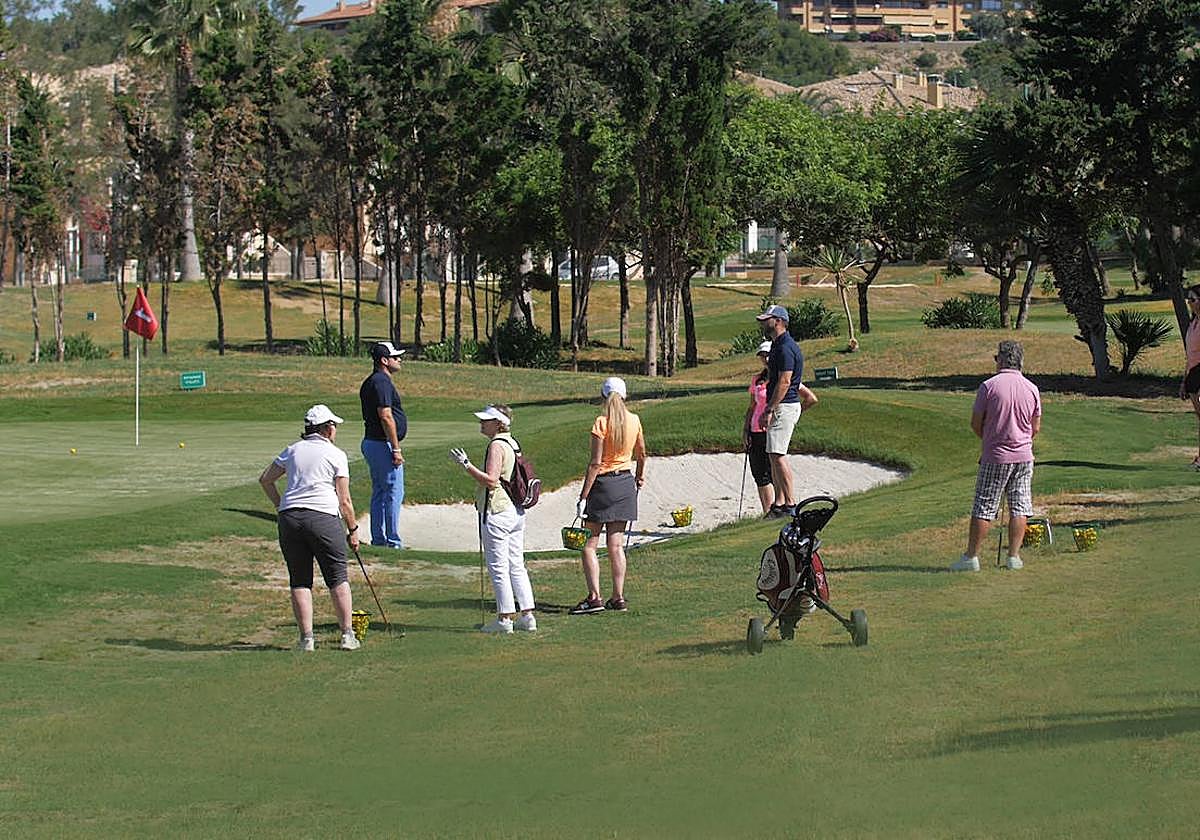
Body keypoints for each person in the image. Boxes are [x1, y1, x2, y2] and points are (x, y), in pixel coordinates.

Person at [259, 404, 361, 651]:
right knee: (337, 576)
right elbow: (344, 499)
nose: (335, 429)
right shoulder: (336, 454)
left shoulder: (292, 450)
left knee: (300, 579)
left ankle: (306, 640)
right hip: (323, 518)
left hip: (290, 518)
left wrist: (280, 505)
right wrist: (353, 529)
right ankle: (347, 635)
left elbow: (266, 480)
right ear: (326, 429)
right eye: (333, 426)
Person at [952, 340, 1042, 572]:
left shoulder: (989, 387)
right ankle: (1014, 557)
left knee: (984, 506)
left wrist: (989, 440)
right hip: (1024, 456)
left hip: (996, 456)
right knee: (1020, 506)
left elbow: (975, 423)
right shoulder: (1031, 388)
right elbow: (1035, 427)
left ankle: (971, 557)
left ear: (1000, 359)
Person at [449, 404, 537, 635]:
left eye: (485, 421)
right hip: (515, 512)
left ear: (498, 423)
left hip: (498, 510)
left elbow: (490, 480)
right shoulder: (512, 441)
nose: (481, 423)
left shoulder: (497, 444)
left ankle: (505, 619)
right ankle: (527, 616)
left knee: (498, 567)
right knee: (516, 564)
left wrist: (466, 464)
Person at [570, 376, 647, 615]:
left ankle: (594, 598)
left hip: (603, 484)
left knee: (589, 545)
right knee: (616, 545)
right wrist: (639, 477)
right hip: (625, 483)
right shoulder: (634, 420)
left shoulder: (601, 422)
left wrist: (583, 496)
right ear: (624, 397)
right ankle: (618, 597)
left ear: (604, 397)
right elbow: (642, 454)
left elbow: (595, 464)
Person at [743, 341, 819, 515]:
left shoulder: (784, 378)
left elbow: (811, 398)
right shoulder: (757, 380)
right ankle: (769, 511)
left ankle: (783, 504)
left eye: (768, 355)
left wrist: (792, 416)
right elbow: (752, 407)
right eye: (763, 356)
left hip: (773, 427)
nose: (766, 359)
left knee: (775, 468)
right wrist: (745, 430)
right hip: (755, 430)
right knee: (760, 475)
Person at [756, 304, 806, 518]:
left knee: (777, 454)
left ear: (778, 321)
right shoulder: (778, 345)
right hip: (782, 405)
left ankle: (791, 503)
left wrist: (769, 409)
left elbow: (785, 382)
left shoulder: (785, 347)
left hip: (784, 404)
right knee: (772, 454)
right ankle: (780, 502)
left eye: (767, 319)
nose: (763, 322)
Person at [359, 341, 407, 548]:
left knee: (380, 491)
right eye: (395, 357)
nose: (399, 360)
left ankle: (379, 539)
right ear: (384, 361)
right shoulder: (381, 382)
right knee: (393, 492)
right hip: (382, 444)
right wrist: (396, 448)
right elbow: (386, 416)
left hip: (373, 443)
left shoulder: (373, 381)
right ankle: (392, 541)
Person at [1180, 285, 1200, 470]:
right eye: (1189, 300)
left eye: (1193, 299)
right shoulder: (1193, 324)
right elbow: (1190, 354)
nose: (1189, 303)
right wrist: (1184, 381)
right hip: (1193, 374)